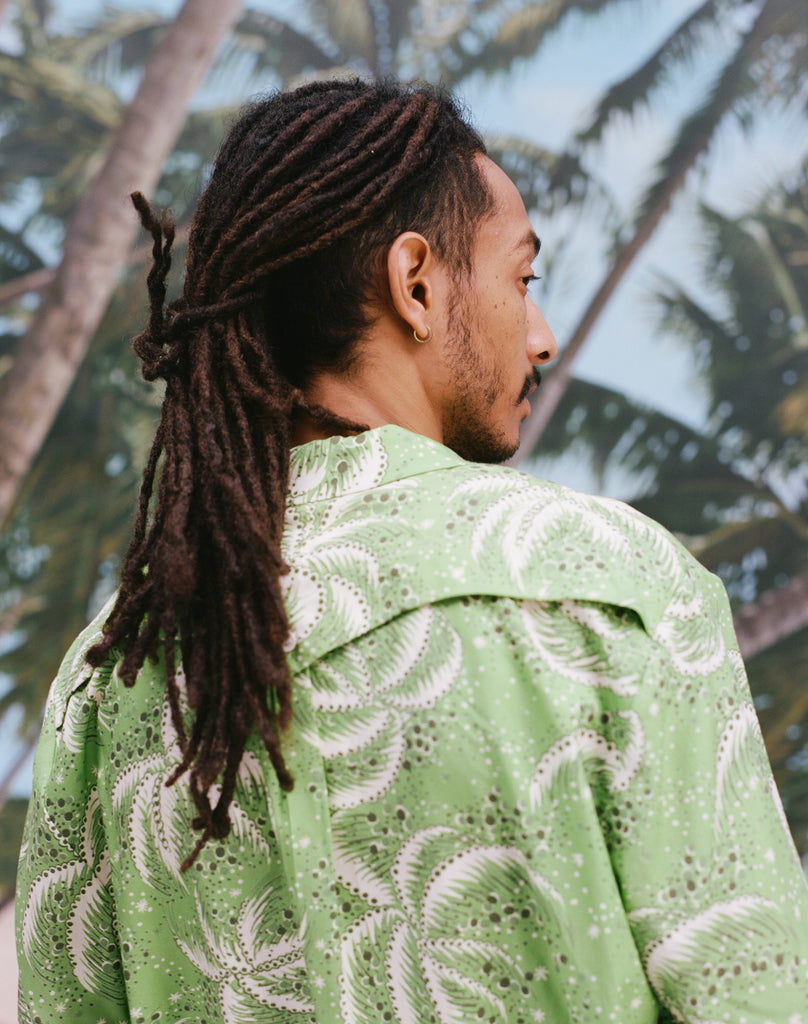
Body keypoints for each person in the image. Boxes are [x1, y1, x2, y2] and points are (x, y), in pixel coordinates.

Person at [15, 77, 808, 1024]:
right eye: (524, 281)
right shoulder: (609, 586)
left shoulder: (111, 681)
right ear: (417, 282)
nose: (544, 339)